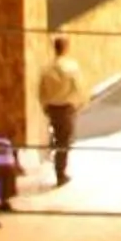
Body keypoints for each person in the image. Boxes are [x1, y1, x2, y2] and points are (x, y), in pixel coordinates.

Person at [39, 34, 84, 187]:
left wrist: (45, 106)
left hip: (52, 108)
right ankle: (60, 173)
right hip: (66, 108)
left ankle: (59, 167)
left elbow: (41, 91)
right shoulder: (72, 67)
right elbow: (78, 87)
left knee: (59, 138)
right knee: (64, 141)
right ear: (66, 47)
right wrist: (80, 103)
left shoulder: (46, 69)